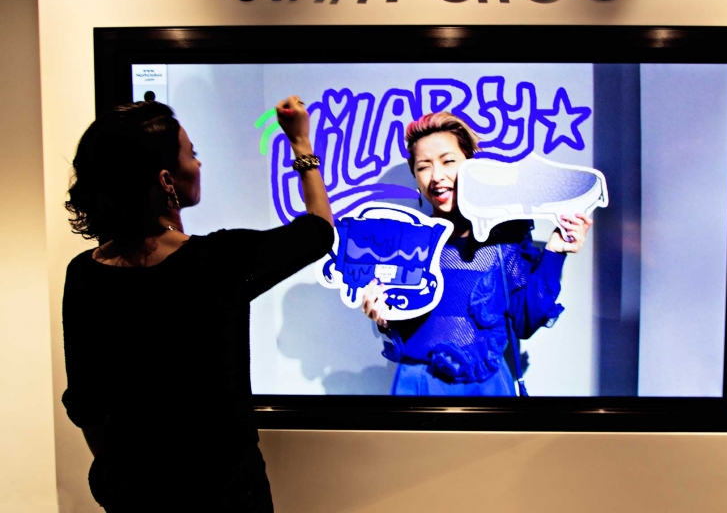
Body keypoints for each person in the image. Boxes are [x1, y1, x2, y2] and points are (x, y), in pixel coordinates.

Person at [61, 96, 332, 512]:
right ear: (166, 181)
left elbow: (87, 404)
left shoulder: (84, 274)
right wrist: (300, 143)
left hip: (133, 497)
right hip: (225, 494)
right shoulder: (218, 263)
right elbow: (318, 232)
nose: (199, 163)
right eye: (192, 153)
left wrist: (128, 478)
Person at [361, 113, 592, 396]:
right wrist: (383, 316)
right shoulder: (405, 244)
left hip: (487, 388)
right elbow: (400, 319)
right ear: (415, 176)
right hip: (418, 386)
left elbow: (525, 321)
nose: (437, 176)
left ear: (471, 165)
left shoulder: (504, 241)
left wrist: (556, 251)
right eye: (423, 167)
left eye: (448, 161)